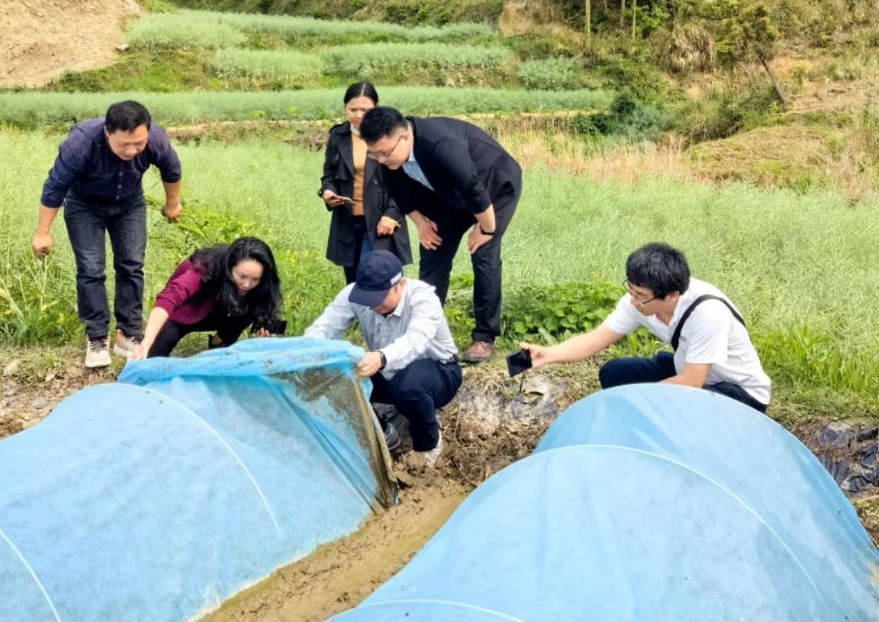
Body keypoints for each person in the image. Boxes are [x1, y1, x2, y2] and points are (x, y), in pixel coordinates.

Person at [520, 243, 771, 412]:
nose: (633, 300)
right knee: (615, 374)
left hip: (739, 393)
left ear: (672, 296)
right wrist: (549, 354)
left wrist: (639, 399)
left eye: (640, 295)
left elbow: (692, 382)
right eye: (631, 289)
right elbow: (594, 340)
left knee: (661, 405)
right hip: (689, 369)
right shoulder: (639, 301)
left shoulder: (708, 313)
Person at [359, 106, 522, 364]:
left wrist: (487, 229)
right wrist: (422, 224)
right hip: (446, 195)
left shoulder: (440, 144)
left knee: (483, 253)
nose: (380, 159)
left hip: (492, 185)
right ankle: (425, 328)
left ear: (404, 136)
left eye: (384, 153)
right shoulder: (388, 157)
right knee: (433, 250)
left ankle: (484, 338)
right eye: (374, 154)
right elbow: (399, 193)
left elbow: (473, 189)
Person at [33, 100, 183, 369]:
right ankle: (97, 337)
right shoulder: (81, 143)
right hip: (84, 205)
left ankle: (128, 334)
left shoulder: (155, 139)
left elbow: (171, 169)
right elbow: (55, 187)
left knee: (132, 265)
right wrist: (43, 233)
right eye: (124, 144)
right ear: (108, 132)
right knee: (91, 268)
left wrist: (172, 203)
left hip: (129, 203)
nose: (133, 150)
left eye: (138, 143)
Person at [304, 250, 462, 467]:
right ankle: (385, 434)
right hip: (388, 370)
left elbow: (417, 339)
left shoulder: (423, 298)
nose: (372, 305)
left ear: (400, 284)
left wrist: (381, 357)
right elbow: (325, 328)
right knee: (338, 378)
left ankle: (429, 445)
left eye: (379, 298)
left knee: (408, 387)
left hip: (439, 372)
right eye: (367, 299)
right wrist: (303, 353)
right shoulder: (352, 295)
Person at [130, 237, 283, 359]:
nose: (247, 284)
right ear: (230, 267)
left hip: (225, 310)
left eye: (255, 279)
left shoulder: (260, 285)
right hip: (186, 311)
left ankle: (218, 345)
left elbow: (270, 310)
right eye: (242, 276)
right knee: (155, 351)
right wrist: (147, 341)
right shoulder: (204, 267)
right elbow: (169, 297)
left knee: (249, 312)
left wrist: (268, 332)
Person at [320, 81, 411, 283]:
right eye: (353, 109)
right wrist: (328, 192)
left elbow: (405, 180)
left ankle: (391, 315)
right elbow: (329, 174)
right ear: (345, 107)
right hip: (348, 220)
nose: (358, 115)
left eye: (365, 109)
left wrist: (392, 214)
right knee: (354, 282)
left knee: (380, 279)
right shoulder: (338, 136)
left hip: (380, 220)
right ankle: (361, 316)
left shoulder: (389, 135)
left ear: (376, 108)